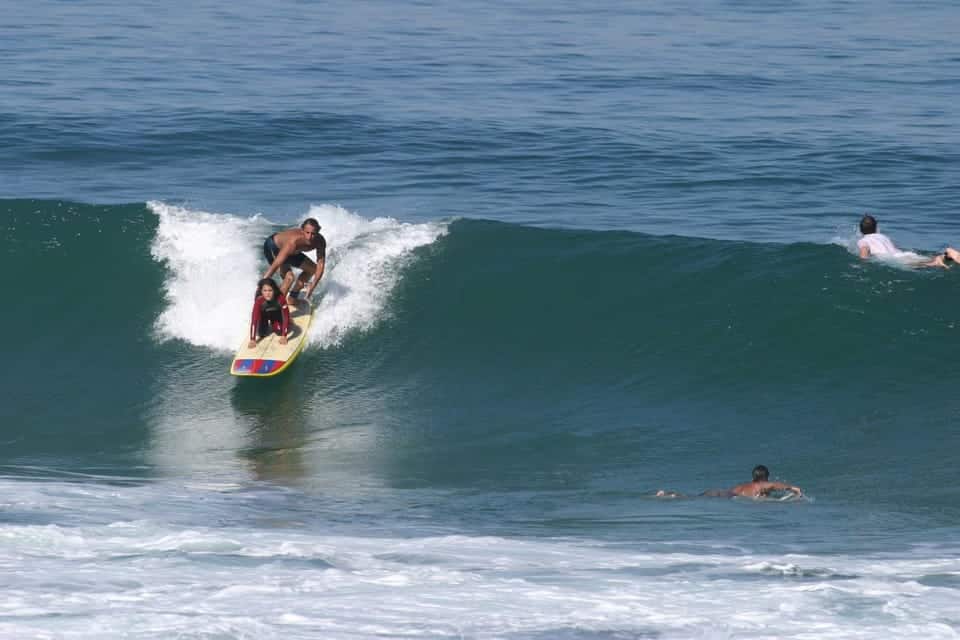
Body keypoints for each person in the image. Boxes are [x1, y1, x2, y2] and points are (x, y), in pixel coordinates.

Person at [262, 218, 326, 305]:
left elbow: (320, 265)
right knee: (289, 277)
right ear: (302, 231)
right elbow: (275, 265)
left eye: (313, 234)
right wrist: (261, 287)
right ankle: (275, 307)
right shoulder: (293, 242)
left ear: (318, 232)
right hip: (273, 247)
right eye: (307, 233)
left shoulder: (320, 242)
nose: (310, 237)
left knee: (313, 269)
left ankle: (292, 298)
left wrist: (313, 286)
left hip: (293, 252)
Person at [856, 214, 954, 268]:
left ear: (861, 230)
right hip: (902, 254)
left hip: (892, 259)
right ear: (876, 227)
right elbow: (894, 248)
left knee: (918, 265)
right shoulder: (883, 236)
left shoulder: (863, 240)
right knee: (925, 259)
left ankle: (936, 263)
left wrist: (863, 263)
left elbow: (864, 252)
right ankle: (945, 255)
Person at [655, 465, 803, 499]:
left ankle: (668, 493)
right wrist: (792, 487)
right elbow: (775, 485)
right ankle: (669, 494)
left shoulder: (743, 486)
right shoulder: (762, 484)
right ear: (765, 477)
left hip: (723, 492)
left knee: (691, 497)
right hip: (731, 496)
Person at [248, 278, 291, 348]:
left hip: (275, 314)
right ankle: (266, 325)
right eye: (264, 291)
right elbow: (254, 320)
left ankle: (274, 323)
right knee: (261, 334)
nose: (267, 293)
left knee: (280, 331)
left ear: (274, 290)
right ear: (261, 291)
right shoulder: (259, 300)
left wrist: (284, 336)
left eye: (270, 290)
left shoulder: (281, 299)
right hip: (263, 316)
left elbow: (286, 316)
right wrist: (252, 339)